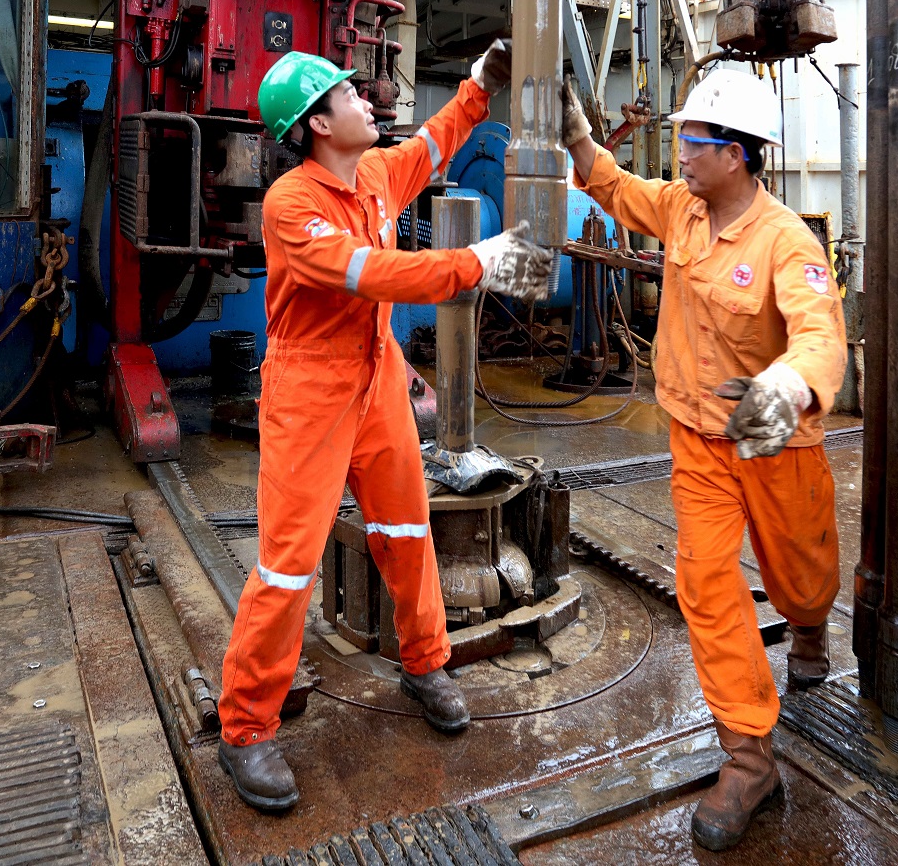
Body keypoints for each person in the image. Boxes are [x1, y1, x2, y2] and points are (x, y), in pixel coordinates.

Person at [217, 42, 555, 813]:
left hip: (377, 376)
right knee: (287, 567)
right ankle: (246, 727)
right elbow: (371, 274)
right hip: (309, 390)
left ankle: (425, 662)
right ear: (316, 125)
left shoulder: (373, 174)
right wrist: (479, 262)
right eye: (346, 94)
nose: (365, 99)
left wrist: (480, 85)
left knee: (406, 529)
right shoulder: (292, 206)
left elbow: (432, 144)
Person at [562, 68, 847, 851]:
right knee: (708, 584)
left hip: (773, 438)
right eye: (682, 139)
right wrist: (577, 134)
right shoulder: (680, 209)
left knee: (802, 576)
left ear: (739, 154)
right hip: (699, 441)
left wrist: (786, 384)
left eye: (695, 142)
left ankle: (811, 629)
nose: (681, 153)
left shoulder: (787, 241)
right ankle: (749, 757)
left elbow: (821, 336)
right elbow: (615, 188)